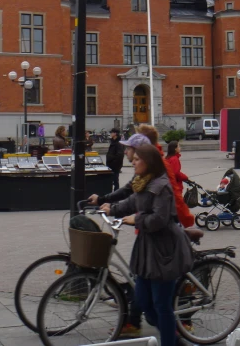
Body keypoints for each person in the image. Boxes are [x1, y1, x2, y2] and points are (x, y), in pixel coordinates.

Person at [99, 144, 194, 346]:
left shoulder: (161, 186)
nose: (132, 162)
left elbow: (159, 219)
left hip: (164, 251)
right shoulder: (144, 181)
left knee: (161, 305)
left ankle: (170, 342)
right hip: (147, 250)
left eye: (136, 160)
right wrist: (111, 208)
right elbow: (132, 202)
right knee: (143, 301)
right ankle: (175, 340)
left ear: (149, 162)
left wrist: (137, 220)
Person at [89, 132, 151, 338]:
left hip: (161, 235)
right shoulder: (142, 174)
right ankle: (135, 321)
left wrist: (130, 215)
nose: (126, 152)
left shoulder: (154, 177)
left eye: (129, 149)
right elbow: (128, 195)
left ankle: (169, 325)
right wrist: (108, 204)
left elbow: (136, 201)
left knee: (144, 277)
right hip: (147, 231)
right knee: (138, 274)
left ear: (140, 153)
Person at [137, 124, 195, 228]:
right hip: (154, 222)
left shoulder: (158, 160)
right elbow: (175, 174)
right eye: (179, 146)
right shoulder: (168, 160)